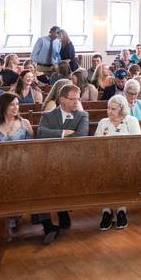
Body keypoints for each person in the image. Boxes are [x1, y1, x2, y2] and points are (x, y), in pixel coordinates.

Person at [34, 84, 89, 242]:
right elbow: (41, 133)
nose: (76, 102)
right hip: (49, 159)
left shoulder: (82, 115)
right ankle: (49, 221)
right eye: (73, 99)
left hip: (72, 160)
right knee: (42, 180)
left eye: (78, 99)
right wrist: (64, 132)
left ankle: (62, 212)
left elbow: (81, 136)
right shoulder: (48, 115)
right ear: (62, 100)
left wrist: (55, 135)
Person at [93, 95, 140, 231]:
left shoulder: (131, 121)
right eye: (108, 108)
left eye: (113, 109)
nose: (109, 111)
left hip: (127, 159)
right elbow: (96, 143)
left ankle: (121, 210)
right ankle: (106, 211)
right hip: (105, 159)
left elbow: (137, 144)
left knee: (121, 171)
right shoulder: (103, 122)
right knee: (103, 172)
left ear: (122, 109)